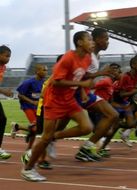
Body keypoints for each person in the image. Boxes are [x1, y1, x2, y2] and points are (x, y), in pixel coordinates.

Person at [21, 31, 95, 182]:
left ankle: (52, 138)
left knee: (87, 127)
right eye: (89, 39)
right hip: (53, 101)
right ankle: (28, 169)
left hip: (69, 100)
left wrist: (97, 76)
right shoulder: (68, 58)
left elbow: (80, 75)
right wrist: (81, 84)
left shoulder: (87, 58)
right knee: (45, 138)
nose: (92, 42)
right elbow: (57, 81)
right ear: (80, 42)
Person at [74, 28, 119, 162]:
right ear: (97, 40)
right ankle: (42, 146)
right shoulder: (89, 56)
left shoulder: (95, 56)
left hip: (85, 93)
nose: (108, 42)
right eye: (106, 39)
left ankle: (87, 147)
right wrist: (101, 73)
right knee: (62, 129)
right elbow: (81, 75)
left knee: (112, 115)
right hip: (76, 93)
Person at [0, 45, 13, 160]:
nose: (8, 59)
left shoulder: (3, 67)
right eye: (6, 56)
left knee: (2, 119)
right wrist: (3, 91)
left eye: (10, 57)